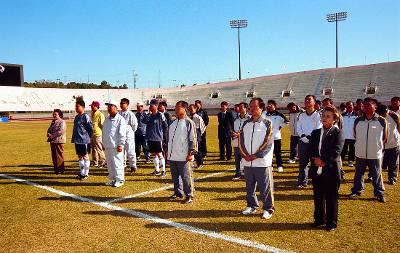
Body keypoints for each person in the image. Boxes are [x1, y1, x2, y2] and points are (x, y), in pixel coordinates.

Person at [309, 106, 344, 232]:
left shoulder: (337, 133)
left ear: (334, 119)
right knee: (318, 196)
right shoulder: (316, 132)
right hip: (316, 169)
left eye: (328, 116)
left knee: (331, 198)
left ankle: (331, 223)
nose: (324, 118)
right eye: (323, 116)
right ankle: (319, 219)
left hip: (331, 170)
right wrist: (315, 160)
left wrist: (323, 161)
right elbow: (311, 149)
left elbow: (337, 151)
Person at [239, 97, 275, 220]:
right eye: (251, 107)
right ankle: (251, 205)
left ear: (261, 108)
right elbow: (241, 141)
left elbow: (268, 142)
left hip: (262, 162)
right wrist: (245, 155)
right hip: (248, 161)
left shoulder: (267, 123)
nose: (252, 109)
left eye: (255, 106)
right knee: (249, 186)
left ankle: (268, 208)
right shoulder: (246, 123)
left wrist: (256, 155)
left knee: (265, 187)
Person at [350, 97, 387, 203]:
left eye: (369, 104)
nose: (366, 106)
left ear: (375, 107)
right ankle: (357, 190)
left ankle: (379, 193)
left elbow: (384, 137)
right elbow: (355, 134)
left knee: (376, 174)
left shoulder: (381, 120)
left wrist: (376, 146)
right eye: (364, 104)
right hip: (360, 152)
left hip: (374, 153)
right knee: (358, 173)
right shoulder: (358, 120)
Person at [168, 101, 197, 204]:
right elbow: (169, 139)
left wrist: (191, 153)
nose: (175, 110)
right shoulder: (173, 123)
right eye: (175, 108)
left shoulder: (189, 122)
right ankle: (178, 192)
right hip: (173, 155)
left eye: (178, 108)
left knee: (186, 177)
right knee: (175, 176)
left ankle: (189, 195)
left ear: (185, 109)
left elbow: (193, 139)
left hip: (184, 156)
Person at [296, 95, 322, 188]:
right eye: (306, 99)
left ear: (314, 102)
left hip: (314, 142)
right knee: (303, 163)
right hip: (303, 141)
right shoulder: (301, 115)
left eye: (309, 99)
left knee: (315, 162)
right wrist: (303, 136)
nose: (307, 101)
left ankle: (316, 181)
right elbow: (298, 127)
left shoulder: (318, 115)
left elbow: (318, 127)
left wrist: (311, 138)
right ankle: (302, 181)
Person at [103, 100, 127, 187]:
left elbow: (122, 133)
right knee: (110, 164)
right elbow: (105, 132)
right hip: (108, 145)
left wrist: (120, 144)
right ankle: (113, 179)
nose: (108, 108)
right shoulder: (107, 120)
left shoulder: (120, 119)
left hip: (116, 146)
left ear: (116, 107)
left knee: (117, 163)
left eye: (110, 106)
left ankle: (120, 179)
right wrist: (104, 143)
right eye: (108, 106)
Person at [376, 104, 399, 185]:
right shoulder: (376, 117)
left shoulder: (394, 116)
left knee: (393, 162)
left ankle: (392, 177)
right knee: (376, 161)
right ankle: (372, 175)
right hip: (380, 144)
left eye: (384, 113)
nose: (383, 115)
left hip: (393, 143)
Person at [145, 99, 168, 177]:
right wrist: (148, 113)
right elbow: (144, 121)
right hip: (150, 138)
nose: (150, 107)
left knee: (159, 154)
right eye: (150, 105)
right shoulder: (149, 116)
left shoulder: (160, 115)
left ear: (156, 106)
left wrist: (163, 136)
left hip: (158, 138)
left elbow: (165, 126)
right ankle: (157, 170)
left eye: (152, 105)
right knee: (154, 154)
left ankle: (164, 171)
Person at [264, 99, 289, 172]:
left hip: (276, 137)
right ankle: (270, 165)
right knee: (268, 152)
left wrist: (280, 126)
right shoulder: (265, 114)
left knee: (277, 152)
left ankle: (280, 166)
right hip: (267, 137)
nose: (269, 106)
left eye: (271, 105)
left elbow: (287, 121)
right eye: (268, 105)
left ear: (275, 106)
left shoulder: (279, 114)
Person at [72, 100, 93, 180]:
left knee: (85, 156)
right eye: (75, 106)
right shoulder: (77, 117)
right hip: (77, 140)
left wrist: (90, 139)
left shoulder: (85, 116)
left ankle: (86, 174)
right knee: (80, 156)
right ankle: (81, 173)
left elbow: (90, 129)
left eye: (77, 106)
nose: (76, 108)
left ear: (83, 107)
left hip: (84, 140)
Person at [231, 102, 250, 180]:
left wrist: (240, 134)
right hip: (236, 142)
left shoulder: (249, 119)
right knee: (237, 159)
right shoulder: (236, 118)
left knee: (245, 159)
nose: (240, 108)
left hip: (245, 143)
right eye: (239, 107)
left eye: (241, 107)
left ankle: (247, 173)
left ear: (245, 108)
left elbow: (249, 130)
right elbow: (232, 128)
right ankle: (237, 173)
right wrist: (232, 133)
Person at [119, 98, 138, 173]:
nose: (121, 105)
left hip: (128, 132)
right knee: (121, 150)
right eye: (121, 103)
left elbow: (134, 125)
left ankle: (133, 166)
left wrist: (130, 131)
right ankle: (122, 164)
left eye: (123, 103)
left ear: (127, 105)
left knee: (130, 150)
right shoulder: (119, 113)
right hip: (120, 133)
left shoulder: (130, 114)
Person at [47, 109, 66, 174]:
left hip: (59, 141)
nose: (54, 115)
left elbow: (61, 131)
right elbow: (49, 129)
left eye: (55, 114)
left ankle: (61, 169)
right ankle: (56, 170)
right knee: (54, 156)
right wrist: (48, 133)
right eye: (53, 114)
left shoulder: (62, 121)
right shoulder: (53, 121)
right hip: (53, 141)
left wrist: (52, 135)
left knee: (59, 156)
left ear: (59, 115)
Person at [188, 104, 206, 169]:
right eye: (189, 109)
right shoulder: (189, 118)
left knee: (198, 150)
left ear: (195, 109)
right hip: (191, 135)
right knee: (192, 149)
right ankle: (193, 162)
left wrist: (199, 135)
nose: (190, 110)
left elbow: (202, 127)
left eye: (191, 109)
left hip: (197, 135)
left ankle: (200, 163)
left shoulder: (198, 117)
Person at [341, 101, 358, 167]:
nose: (349, 107)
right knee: (343, 149)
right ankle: (341, 160)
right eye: (347, 106)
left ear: (353, 106)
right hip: (344, 136)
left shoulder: (356, 115)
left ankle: (350, 161)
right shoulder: (342, 115)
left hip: (353, 136)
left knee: (352, 149)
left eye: (350, 105)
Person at [90, 101, 106, 168]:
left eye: (92, 106)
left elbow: (103, 125)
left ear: (96, 106)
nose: (91, 107)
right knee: (93, 149)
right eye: (91, 106)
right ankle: (95, 162)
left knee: (99, 148)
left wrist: (104, 134)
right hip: (92, 134)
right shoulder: (92, 114)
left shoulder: (100, 114)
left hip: (98, 134)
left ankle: (103, 162)